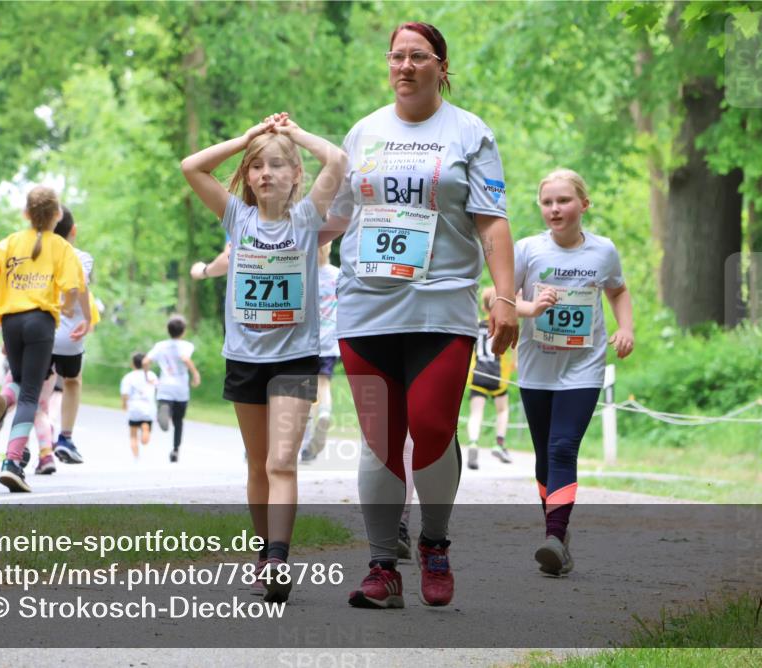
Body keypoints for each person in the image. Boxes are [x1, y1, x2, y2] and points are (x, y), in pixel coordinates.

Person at [323, 23, 518, 608]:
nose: (404, 66)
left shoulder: (469, 133)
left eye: (417, 57)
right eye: (396, 57)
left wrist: (505, 296)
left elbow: (492, 222)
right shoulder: (364, 132)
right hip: (365, 307)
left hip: (441, 306)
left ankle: (434, 541)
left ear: (441, 66)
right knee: (379, 438)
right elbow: (333, 218)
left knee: (432, 426)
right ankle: (383, 566)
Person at [181, 111, 346, 603]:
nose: (266, 174)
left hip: (295, 357)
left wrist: (294, 134)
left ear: (296, 175)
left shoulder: (307, 217)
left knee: (281, 462)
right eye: (257, 167)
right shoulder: (237, 217)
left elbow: (336, 159)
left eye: (277, 166)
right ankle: (263, 554)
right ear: (248, 176)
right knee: (257, 464)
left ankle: (278, 559)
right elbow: (192, 167)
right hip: (245, 358)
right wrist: (248, 138)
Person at [515, 168, 633, 576]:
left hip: (583, 367)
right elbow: (498, 298)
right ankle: (558, 537)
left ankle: (553, 533)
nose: (554, 209)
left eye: (563, 201)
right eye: (547, 202)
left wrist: (626, 328)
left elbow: (617, 290)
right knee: (544, 456)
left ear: (583, 204)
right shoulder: (528, 250)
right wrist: (530, 308)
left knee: (563, 448)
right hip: (535, 367)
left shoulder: (603, 251)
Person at [0, 186, 85, 493]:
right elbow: (75, 286)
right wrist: (75, 310)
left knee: (20, 381)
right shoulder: (60, 246)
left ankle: (4, 398)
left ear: (26, 213)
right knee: (31, 396)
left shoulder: (11, 241)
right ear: (58, 215)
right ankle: (12, 462)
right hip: (40, 321)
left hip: (10, 321)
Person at [48, 206, 93, 464]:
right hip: (69, 336)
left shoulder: (37, 254)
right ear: (73, 231)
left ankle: (30, 445)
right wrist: (86, 318)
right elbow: (81, 283)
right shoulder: (81, 257)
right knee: (72, 381)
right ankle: (65, 438)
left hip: (40, 328)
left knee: (33, 388)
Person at [465, 286, 515, 469]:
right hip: (497, 375)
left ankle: (472, 443)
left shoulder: (476, 326)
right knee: (502, 410)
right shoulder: (504, 325)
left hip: (478, 373)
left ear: (484, 307)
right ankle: (499, 444)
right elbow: (512, 353)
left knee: (476, 412)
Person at [300, 241, 340, 463]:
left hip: (307, 342)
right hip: (330, 340)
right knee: (323, 385)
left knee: (304, 392)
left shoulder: (304, 274)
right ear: (329, 248)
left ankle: (305, 443)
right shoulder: (338, 275)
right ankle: (324, 413)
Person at [143, 315, 200, 463]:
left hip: (165, 387)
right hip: (181, 389)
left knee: (164, 405)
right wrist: (195, 373)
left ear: (168, 330)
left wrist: (147, 376)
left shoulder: (160, 346)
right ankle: (175, 449)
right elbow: (185, 358)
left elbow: (145, 361)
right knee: (179, 421)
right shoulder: (187, 346)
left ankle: (164, 414)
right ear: (183, 331)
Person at [120, 353, 158, 458]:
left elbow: (125, 393)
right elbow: (157, 387)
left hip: (134, 407)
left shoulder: (128, 377)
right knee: (146, 424)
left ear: (133, 364)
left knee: (133, 435)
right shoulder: (151, 375)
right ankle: (145, 428)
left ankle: (136, 457)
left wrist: (124, 405)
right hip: (148, 407)